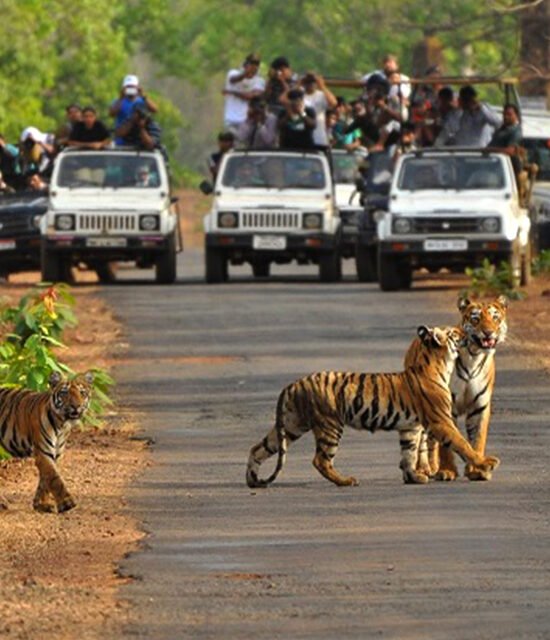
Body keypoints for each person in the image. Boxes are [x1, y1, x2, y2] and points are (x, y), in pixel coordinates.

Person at [109, 74, 158, 145]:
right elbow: (111, 114)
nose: (130, 90)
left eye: (132, 87)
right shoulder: (118, 101)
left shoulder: (142, 101)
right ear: (124, 88)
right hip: (121, 140)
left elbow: (155, 110)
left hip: (140, 139)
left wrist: (143, 96)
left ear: (137, 87)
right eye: (128, 87)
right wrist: (121, 98)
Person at [223, 53, 265, 134]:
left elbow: (252, 96)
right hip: (230, 120)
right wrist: (246, 73)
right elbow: (233, 80)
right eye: (252, 63)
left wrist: (232, 92)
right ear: (246, 63)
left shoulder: (259, 81)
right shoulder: (233, 73)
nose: (254, 66)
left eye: (256, 64)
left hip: (246, 121)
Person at [301, 73, 338, 147]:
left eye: (313, 82)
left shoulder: (321, 95)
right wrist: (298, 84)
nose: (311, 84)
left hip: (319, 137)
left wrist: (322, 86)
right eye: (308, 82)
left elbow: (334, 103)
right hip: (302, 136)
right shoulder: (300, 94)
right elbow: (283, 100)